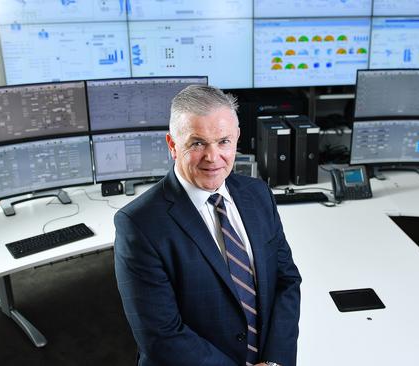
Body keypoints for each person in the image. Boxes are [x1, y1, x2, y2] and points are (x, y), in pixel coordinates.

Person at [114, 85, 302, 366]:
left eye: (224, 141)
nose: (213, 157)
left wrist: (275, 361)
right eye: (197, 143)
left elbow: (286, 282)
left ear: (237, 138)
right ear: (172, 145)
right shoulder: (139, 224)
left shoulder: (258, 194)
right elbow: (161, 336)